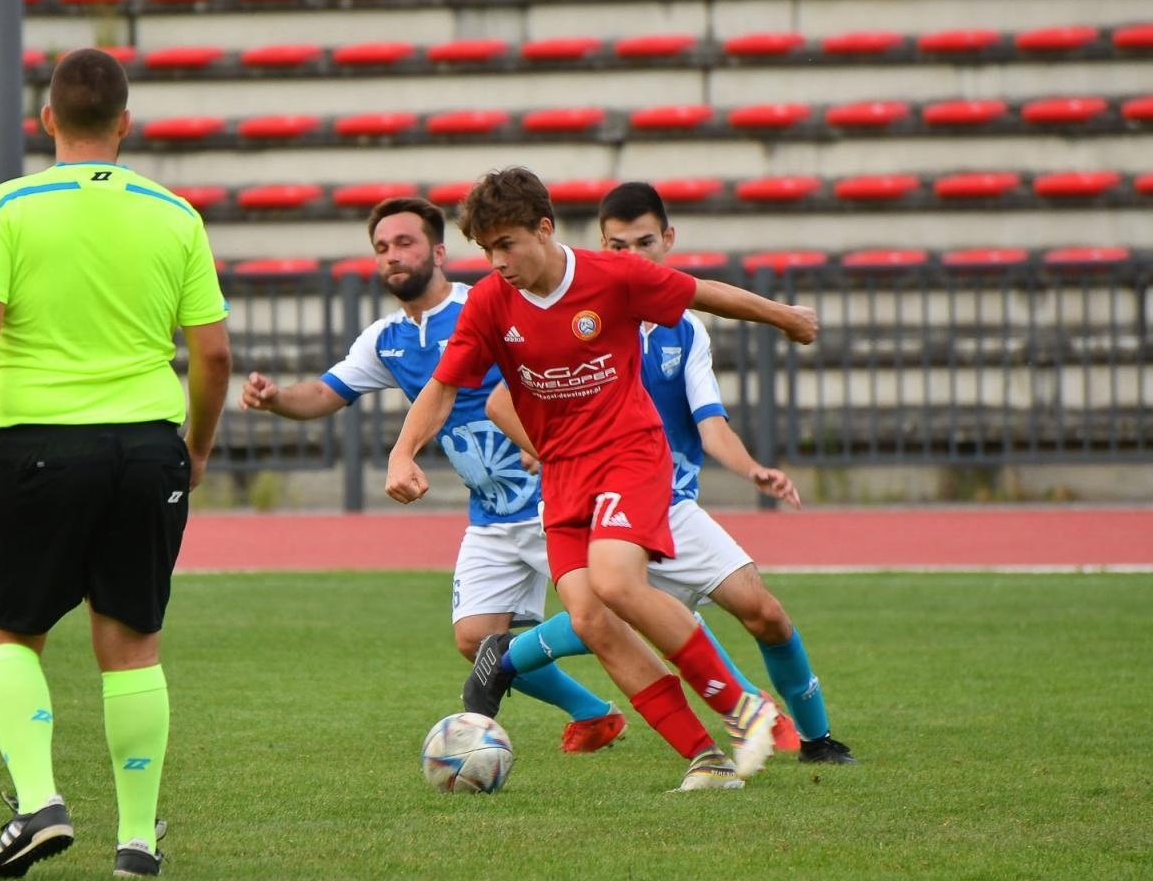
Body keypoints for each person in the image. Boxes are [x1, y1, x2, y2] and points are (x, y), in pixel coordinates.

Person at [386, 167, 818, 788]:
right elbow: (445, 385)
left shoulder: (611, 275)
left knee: (617, 580)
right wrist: (404, 453)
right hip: (563, 475)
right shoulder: (489, 301)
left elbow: (701, 293)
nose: (496, 261)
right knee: (590, 619)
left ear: (544, 228)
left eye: (505, 244)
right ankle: (707, 759)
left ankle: (742, 706)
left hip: (631, 454)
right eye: (485, 249)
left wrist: (784, 318)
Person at [0, 49, 232, 881]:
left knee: (10, 635)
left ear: (48, 119)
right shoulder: (175, 215)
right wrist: (195, 448)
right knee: (133, 645)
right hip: (147, 448)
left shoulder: (6, 206)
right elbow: (210, 354)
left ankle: (40, 803)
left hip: (39, 445)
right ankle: (137, 839)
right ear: (126, 123)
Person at [239, 197, 630, 756]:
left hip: (554, 497)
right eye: (381, 249)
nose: (393, 256)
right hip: (491, 514)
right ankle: (593, 714)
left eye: (405, 243)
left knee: (619, 612)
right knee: (475, 638)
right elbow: (326, 392)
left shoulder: (491, 305)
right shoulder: (386, 339)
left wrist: (546, 439)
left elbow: (553, 367)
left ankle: (729, 695)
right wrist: (276, 399)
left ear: (440, 251)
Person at [489, 182, 856, 764]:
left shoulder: (685, 330)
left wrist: (752, 468)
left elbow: (711, 425)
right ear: (598, 245)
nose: (633, 256)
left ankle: (815, 737)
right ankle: (741, 722)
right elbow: (501, 401)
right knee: (597, 613)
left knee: (760, 609)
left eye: (645, 243)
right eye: (618, 244)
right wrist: (551, 444)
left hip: (670, 499)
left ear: (669, 240)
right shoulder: (574, 304)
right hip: (595, 495)